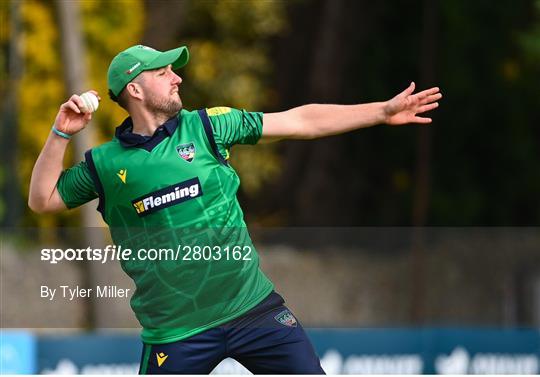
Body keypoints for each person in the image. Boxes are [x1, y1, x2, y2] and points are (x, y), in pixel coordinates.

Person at [28, 44, 442, 374]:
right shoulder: (105, 163)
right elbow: (42, 200)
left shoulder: (209, 126)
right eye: (162, 72)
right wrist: (60, 133)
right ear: (133, 89)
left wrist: (381, 111)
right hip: (176, 332)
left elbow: (300, 121)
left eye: (173, 70)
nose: (177, 77)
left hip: (253, 310)